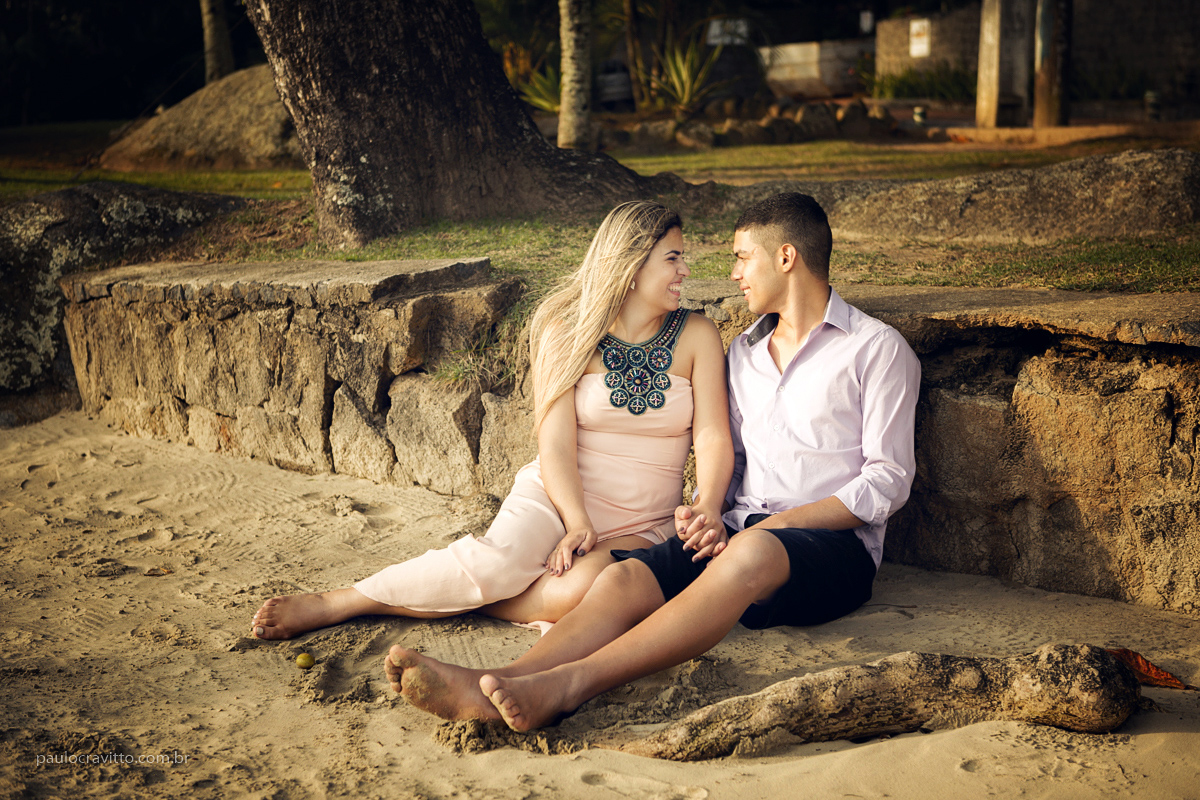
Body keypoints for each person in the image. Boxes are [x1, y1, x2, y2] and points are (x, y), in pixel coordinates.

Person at [382, 192, 922, 729]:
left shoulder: (876, 350)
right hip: (738, 536)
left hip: (832, 551)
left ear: (786, 257)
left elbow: (887, 482)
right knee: (618, 582)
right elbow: (725, 451)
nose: (732, 273)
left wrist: (774, 526)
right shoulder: (744, 354)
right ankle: (503, 681)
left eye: (742, 257)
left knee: (752, 550)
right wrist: (707, 513)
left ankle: (570, 685)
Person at [250, 201, 732, 639]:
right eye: (673, 258)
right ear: (630, 265)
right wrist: (577, 520)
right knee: (499, 561)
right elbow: (555, 442)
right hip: (559, 494)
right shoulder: (564, 329)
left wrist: (708, 502)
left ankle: (464, 598)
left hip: (645, 520)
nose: (686, 270)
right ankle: (344, 601)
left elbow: (711, 437)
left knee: (578, 592)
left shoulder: (697, 335)